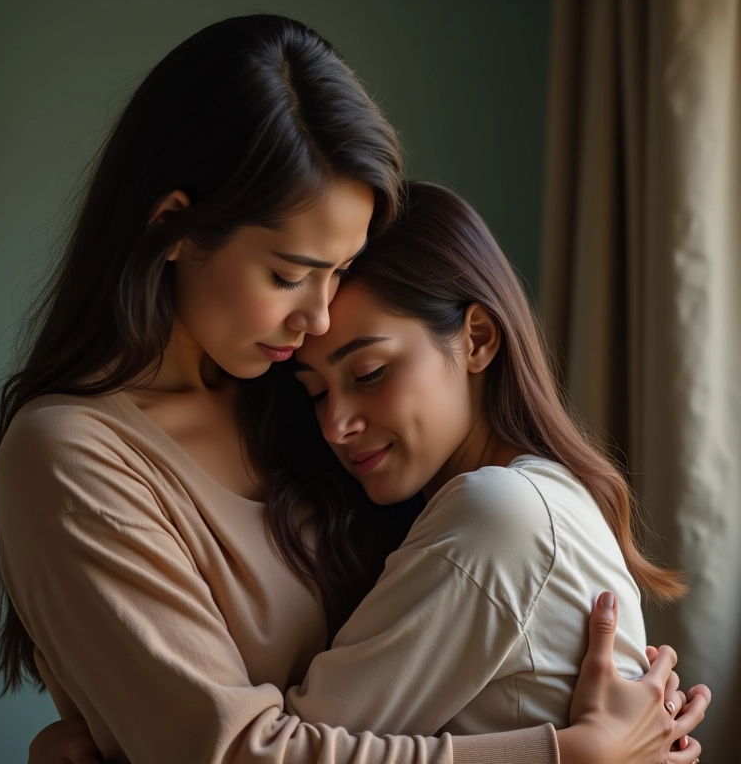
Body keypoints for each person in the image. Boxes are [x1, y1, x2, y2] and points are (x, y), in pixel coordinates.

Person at [0, 15, 707, 764]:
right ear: (176, 229)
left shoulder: (293, 402)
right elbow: (231, 754)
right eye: (289, 274)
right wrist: (563, 756)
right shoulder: (72, 454)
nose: (319, 315)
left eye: (339, 269)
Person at [285, 180, 697, 738]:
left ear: (476, 338)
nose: (336, 424)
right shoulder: (543, 496)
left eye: (369, 374)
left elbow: (290, 750)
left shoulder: (500, 512)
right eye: (316, 392)